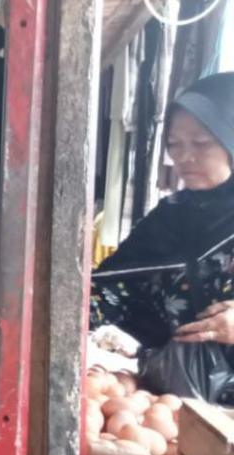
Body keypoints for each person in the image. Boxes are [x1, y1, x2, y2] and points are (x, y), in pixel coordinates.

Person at [90, 73, 234, 403]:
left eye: (201, 143)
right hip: (166, 402)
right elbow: (113, 287)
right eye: (174, 144)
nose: (184, 157)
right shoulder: (169, 218)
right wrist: (26, 299)